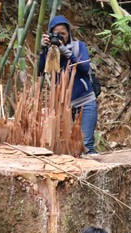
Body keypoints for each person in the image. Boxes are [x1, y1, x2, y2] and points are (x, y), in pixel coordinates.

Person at [38, 15, 98, 155]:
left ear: (69, 33)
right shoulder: (51, 51)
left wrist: (67, 52)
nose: (60, 37)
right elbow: (40, 72)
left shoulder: (78, 47)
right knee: (64, 147)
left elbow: (84, 68)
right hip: (64, 105)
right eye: (56, 34)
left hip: (86, 102)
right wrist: (43, 50)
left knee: (86, 144)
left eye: (63, 34)